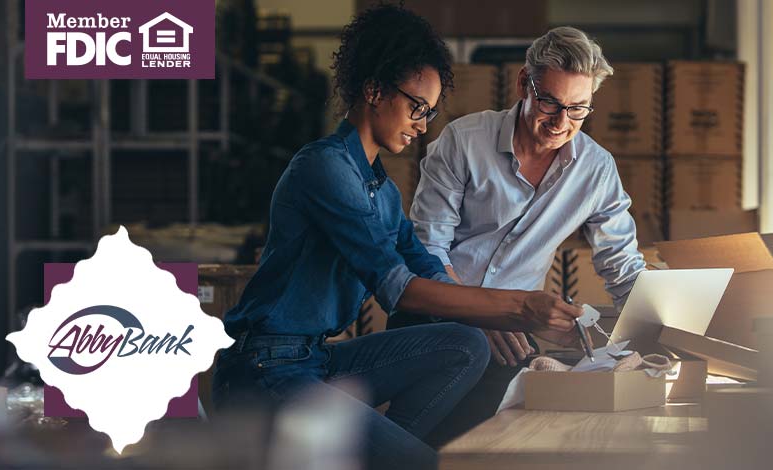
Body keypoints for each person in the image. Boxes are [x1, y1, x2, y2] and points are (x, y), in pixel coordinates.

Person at [212, 7, 586, 470]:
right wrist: (520, 307)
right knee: (425, 463)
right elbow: (399, 290)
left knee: (464, 343)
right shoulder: (325, 168)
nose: (423, 125)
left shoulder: (380, 189)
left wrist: (489, 319)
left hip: (317, 361)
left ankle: (366, 455)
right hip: (265, 370)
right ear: (374, 91)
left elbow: (425, 266)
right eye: (416, 107)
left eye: (429, 112)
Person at [389, 27, 647, 446]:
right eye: (550, 102)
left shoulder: (597, 169)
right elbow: (427, 249)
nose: (562, 122)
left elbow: (622, 267)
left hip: (511, 334)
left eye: (579, 109)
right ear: (524, 84)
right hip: (435, 318)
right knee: (414, 447)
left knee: (492, 447)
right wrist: (480, 311)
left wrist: (662, 329)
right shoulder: (463, 141)